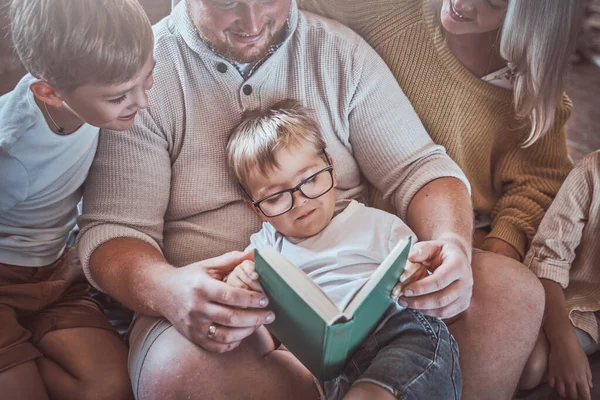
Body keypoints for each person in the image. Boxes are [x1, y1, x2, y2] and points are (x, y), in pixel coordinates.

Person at [76, 0, 543, 399]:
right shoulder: (140, 77)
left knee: (510, 293)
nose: (253, 22)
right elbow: (114, 233)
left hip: (367, 294)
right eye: (227, 4)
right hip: (225, 316)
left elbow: (419, 168)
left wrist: (453, 244)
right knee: (181, 375)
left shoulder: (337, 51)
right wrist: (169, 291)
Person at [298, 0, 580, 396]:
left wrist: (502, 243)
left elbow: (541, 180)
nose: (463, 3)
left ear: (529, 20)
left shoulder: (529, 88)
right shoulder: (391, 12)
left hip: (467, 234)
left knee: (532, 363)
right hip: (385, 227)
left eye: (493, 4)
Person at [224, 101, 459, 400]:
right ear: (256, 209)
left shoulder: (375, 224)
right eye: (276, 197)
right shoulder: (263, 249)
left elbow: (421, 276)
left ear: (332, 172)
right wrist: (238, 286)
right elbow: (255, 323)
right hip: (330, 368)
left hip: (403, 336)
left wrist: (416, 274)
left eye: (310, 180)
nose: (301, 201)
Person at [0, 0, 155, 399]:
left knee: (110, 386)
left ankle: (25, 351)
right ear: (49, 93)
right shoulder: (11, 147)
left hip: (55, 275)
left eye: (148, 80)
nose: (142, 103)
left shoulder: (97, 97)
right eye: (120, 96)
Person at [521, 150, 600, 400]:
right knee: (529, 367)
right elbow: (548, 260)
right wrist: (563, 343)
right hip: (584, 305)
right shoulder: (592, 171)